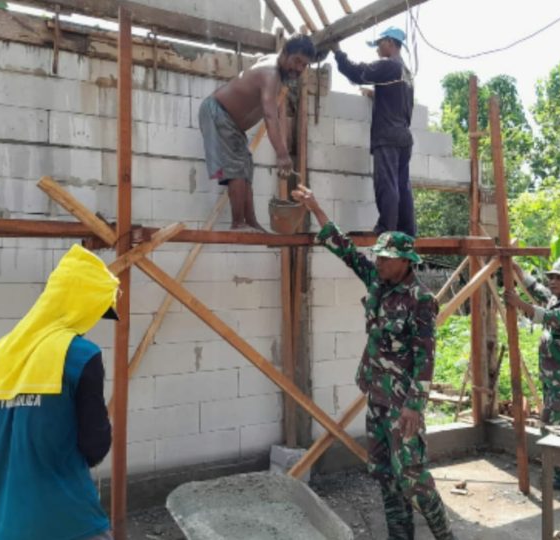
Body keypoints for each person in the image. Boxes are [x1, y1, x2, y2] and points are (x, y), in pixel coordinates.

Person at [291, 184, 454, 540]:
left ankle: (446, 536)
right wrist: (315, 207)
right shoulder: (378, 283)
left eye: (385, 258)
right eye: (378, 257)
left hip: (402, 403)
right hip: (377, 396)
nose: (378, 262)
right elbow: (345, 250)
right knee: (384, 473)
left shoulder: (420, 300)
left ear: (405, 261)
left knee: (412, 477)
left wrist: (414, 406)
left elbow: (426, 356)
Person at [0, 244, 118, 540]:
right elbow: (95, 446)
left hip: (5, 526)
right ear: (82, 306)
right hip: (70, 523)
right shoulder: (80, 354)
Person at [198, 34, 316, 231]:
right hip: (218, 112)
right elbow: (270, 115)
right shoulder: (271, 74)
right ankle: (238, 223)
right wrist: (282, 154)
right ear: (285, 53)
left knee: (245, 166)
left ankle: (250, 221)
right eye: (296, 61)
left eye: (304, 65)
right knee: (237, 167)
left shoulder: (274, 66)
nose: (298, 68)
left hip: (230, 122)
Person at [505, 257, 560, 490]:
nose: (553, 282)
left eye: (559, 278)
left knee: (555, 423)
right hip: (554, 373)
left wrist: (519, 304)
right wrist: (518, 272)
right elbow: (538, 290)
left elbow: (552, 318)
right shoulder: (557, 297)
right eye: (551, 277)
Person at [330, 27, 416, 236]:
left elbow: (357, 72)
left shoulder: (389, 65)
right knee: (402, 186)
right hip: (403, 137)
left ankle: (386, 228)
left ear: (390, 43)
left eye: (379, 44)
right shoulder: (406, 72)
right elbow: (399, 102)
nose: (377, 49)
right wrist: (376, 95)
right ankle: (407, 230)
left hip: (387, 136)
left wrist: (338, 52)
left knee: (386, 183)